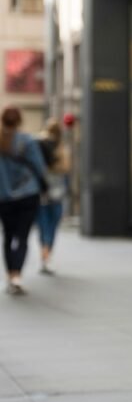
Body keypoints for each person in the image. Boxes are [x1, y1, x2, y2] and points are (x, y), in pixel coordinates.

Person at [0, 106, 48, 295]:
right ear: (19, 121)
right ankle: (17, 275)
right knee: (22, 236)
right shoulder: (27, 140)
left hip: (3, 197)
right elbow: (39, 166)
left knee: (8, 235)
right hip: (28, 195)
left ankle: (10, 275)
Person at [36, 118, 70, 274]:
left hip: (41, 191)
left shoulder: (37, 144)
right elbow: (66, 170)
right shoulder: (61, 148)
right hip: (56, 190)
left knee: (43, 224)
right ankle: (47, 254)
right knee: (52, 223)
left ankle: (45, 253)